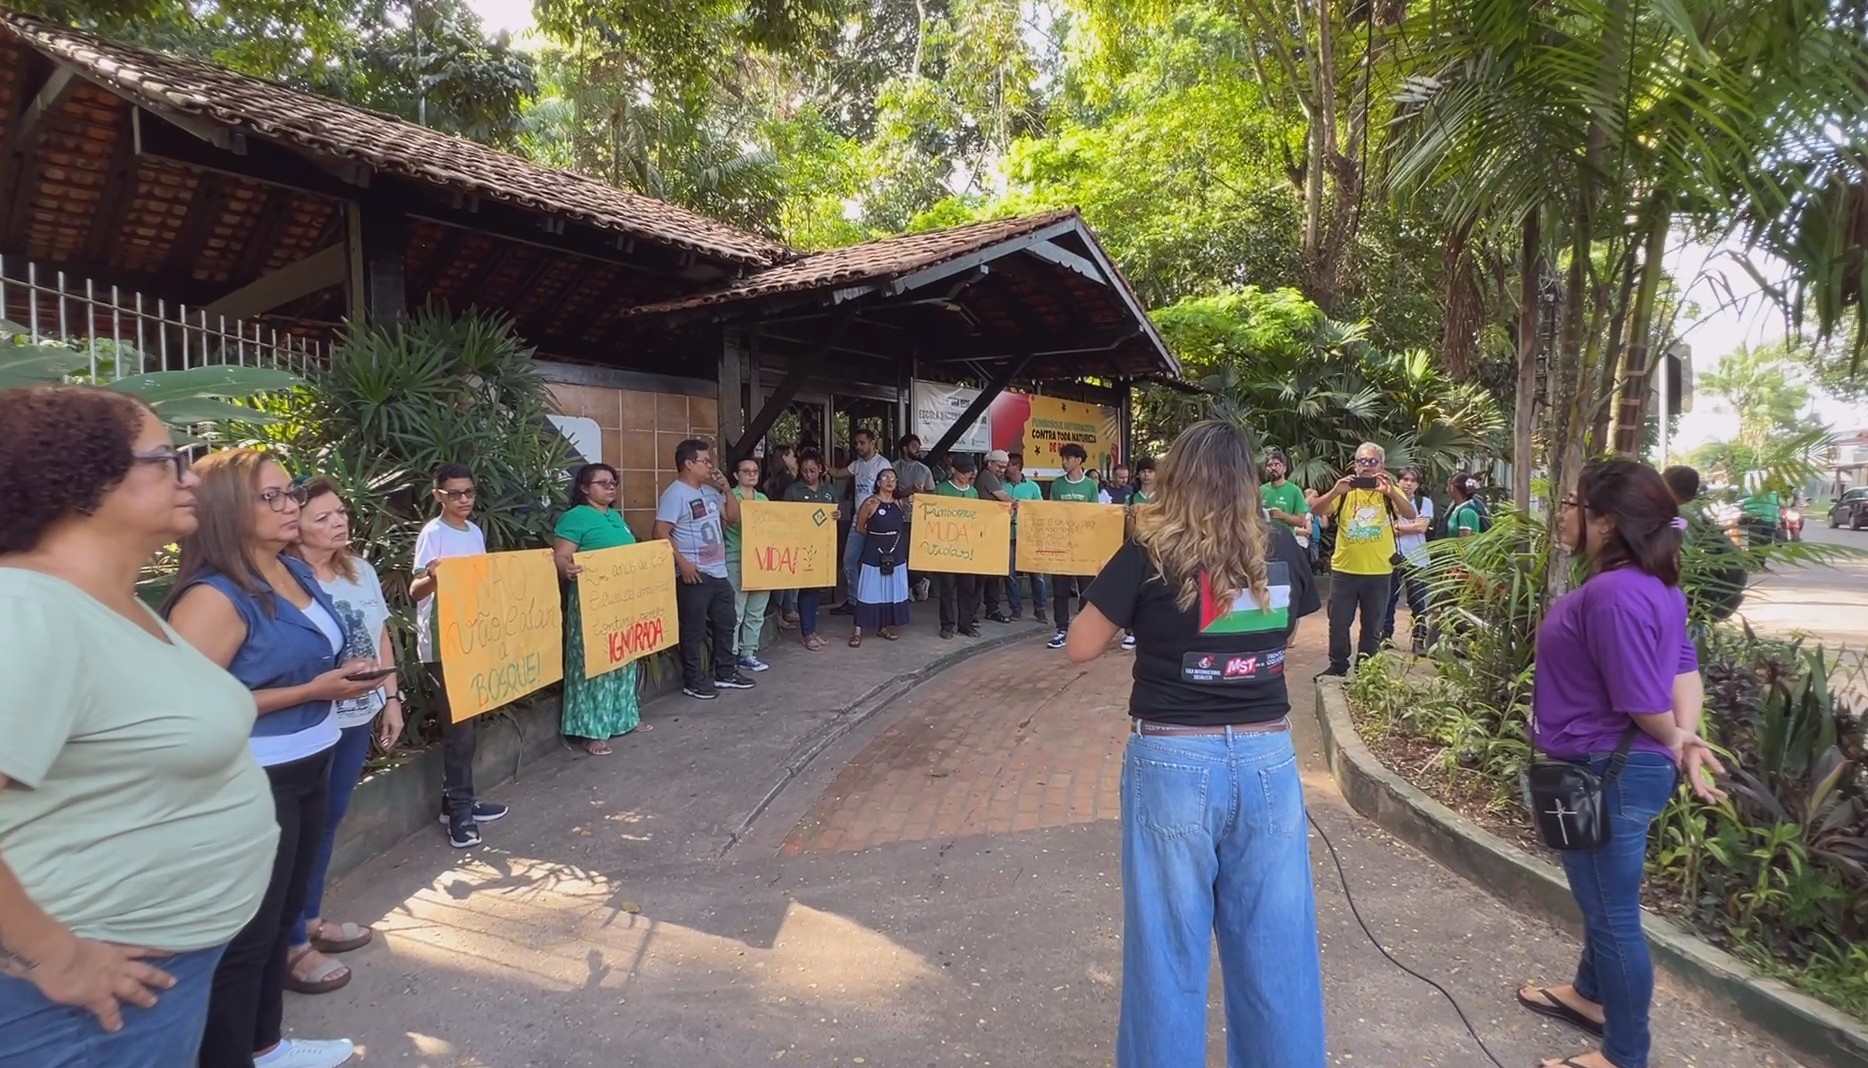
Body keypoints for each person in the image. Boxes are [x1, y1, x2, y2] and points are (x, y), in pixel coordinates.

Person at [0, 386, 277, 1068]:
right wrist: (57, 956)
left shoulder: (111, 603)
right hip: (85, 1001)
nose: (191, 475)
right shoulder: (26, 612)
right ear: (83, 478)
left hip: (155, 974)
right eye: (166, 457)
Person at [1063, 420, 1325, 1068]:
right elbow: (1287, 638)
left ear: (1175, 478)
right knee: (1276, 950)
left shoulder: (1150, 552)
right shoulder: (1285, 550)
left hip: (1173, 761)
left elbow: (1080, 646)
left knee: (1167, 952)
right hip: (1268, 761)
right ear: (1247, 480)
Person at [1517, 459, 1724, 1068]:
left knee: (1611, 915)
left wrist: (1679, 738)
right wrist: (1684, 736)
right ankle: (1590, 996)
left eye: (1572, 503)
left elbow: (1640, 701)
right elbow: (1685, 666)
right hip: (1593, 766)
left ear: (1605, 522)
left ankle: (1625, 1054)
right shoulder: (1657, 586)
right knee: (1599, 897)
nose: (1563, 513)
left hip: (1601, 771)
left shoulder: (1612, 593)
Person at [163, 449, 364, 1068]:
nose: (290, 507)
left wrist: (341, 677)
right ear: (227, 511)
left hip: (312, 762)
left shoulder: (293, 572)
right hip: (252, 778)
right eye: (272, 497)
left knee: (282, 920)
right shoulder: (215, 598)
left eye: (291, 493)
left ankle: (266, 1045)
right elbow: (185, 709)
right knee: (246, 938)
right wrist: (309, 691)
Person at [283, 480, 405, 995]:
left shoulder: (362, 570)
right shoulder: (284, 579)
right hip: (310, 720)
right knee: (300, 827)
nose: (338, 522)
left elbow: (380, 633)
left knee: (329, 817)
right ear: (296, 529)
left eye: (340, 512)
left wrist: (392, 698)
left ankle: (310, 920)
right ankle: (291, 945)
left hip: (360, 712)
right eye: (323, 517)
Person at [409, 464, 511, 848]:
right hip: (442, 642)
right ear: (438, 495)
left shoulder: (475, 531)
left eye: (469, 492)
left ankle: (456, 802)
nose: (464, 500)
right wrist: (435, 576)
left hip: (473, 637)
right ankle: (461, 812)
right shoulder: (433, 534)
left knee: (469, 727)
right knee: (458, 730)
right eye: (454, 494)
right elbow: (415, 590)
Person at [551, 463, 643, 755]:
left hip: (623, 600)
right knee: (595, 663)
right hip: (593, 602)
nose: (610, 486)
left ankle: (623, 718)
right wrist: (568, 569)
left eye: (613, 481)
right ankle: (592, 730)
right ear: (584, 488)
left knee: (624, 656)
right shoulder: (575, 518)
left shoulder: (615, 517)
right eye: (602, 483)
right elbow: (560, 556)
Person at [655, 439, 757, 700]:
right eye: (705, 461)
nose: (710, 466)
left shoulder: (710, 491)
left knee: (726, 623)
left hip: (718, 571)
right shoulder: (675, 494)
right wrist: (682, 563)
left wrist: (726, 490)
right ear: (688, 464)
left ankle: (726, 672)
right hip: (695, 572)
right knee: (694, 629)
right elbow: (660, 532)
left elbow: (732, 517)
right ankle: (693, 680)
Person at [1309, 442, 1417, 676]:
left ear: (1382, 464)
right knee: (1338, 623)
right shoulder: (1346, 490)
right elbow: (1317, 511)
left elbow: (1410, 514)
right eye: (1362, 461)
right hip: (1345, 570)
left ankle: (1366, 669)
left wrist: (1390, 493)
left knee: (1373, 626)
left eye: (1372, 461)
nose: (1367, 466)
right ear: (1355, 464)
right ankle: (1338, 665)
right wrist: (1335, 492)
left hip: (1379, 571)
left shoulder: (1389, 489)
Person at [1662, 464, 1748, 626]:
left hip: (1701, 593)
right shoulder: (1697, 509)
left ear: (1669, 489)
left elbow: (1683, 559)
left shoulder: (1681, 516)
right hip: (1719, 587)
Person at [1046, 443, 1111, 650]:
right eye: (1063, 458)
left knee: (1087, 589)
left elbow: (1094, 516)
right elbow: (1050, 513)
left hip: (1084, 546)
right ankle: (1061, 630)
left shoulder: (1090, 486)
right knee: (1060, 590)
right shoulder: (1057, 485)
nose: (1064, 462)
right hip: (1062, 546)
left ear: (1078, 461)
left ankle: (1083, 628)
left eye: (1068, 458)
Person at [782, 450, 840, 651]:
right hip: (801, 546)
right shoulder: (793, 491)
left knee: (815, 590)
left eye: (812, 471)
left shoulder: (829, 490)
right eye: (805, 471)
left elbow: (834, 512)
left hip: (822, 546)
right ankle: (807, 633)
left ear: (821, 470)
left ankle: (812, 630)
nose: (808, 475)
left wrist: (836, 515)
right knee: (806, 589)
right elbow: (784, 518)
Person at [833, 428, 892, 614]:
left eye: (862, 443)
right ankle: (854, 601)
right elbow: (839, 473)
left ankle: (876, 602)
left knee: (876, 563)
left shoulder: (882, 464)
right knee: (849, 560)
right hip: (857, 520)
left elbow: (890, 490)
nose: (858, 446)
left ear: (872, 442)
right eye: (856, 443)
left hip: (877, 521)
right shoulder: (857, 464)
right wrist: (823, 468)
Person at [850, 468, 910, 646]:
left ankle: (883, 626)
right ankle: (858, 630)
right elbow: (860, 528)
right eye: (885, 477)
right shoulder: (870, 503)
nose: (889, 481)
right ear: (878, 482)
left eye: (893, 478)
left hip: (895, 551)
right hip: (874, 550)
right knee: (867, 589)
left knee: (889, 589)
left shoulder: (900, 503)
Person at [725, 456, 773, 673]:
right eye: (746, 471)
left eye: (755, 471)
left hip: (761, 558)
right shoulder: (729, 497)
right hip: (736, 554)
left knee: (756, 608)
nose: (752, 474)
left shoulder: (763, 499)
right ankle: (731, 653)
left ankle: (748, 652)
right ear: (736, 475)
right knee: (736, 609)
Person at [1383, 466, 1434, 654]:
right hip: (1391, 555)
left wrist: (1397, 526)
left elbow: (1421, 528)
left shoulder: (1424, 502)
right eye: (1405, 479)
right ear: (1398, 481)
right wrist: (1411, 525)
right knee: (1388, 599)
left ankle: (1419, 639)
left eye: (1412, 480)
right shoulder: (1388, 500)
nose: (1408, 484)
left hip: (1417, 557)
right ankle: (1385, 637)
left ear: (1418, 484)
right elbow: (1383, 526)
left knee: (1418, 600)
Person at [933, 456, 985, 639]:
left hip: (967, 548)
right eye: (963, 471)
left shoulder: (973, 492)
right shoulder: (941, 490)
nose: (966, 475)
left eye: (969, 471)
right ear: (954, 470)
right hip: (946, 548)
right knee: (947, 587)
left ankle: (965, 623)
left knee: (968, 587)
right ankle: (947, 624)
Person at [1004, 451, 1049, 623]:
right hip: (1008, 534)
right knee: (1009, 573)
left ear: (1016, 466)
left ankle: (1040, 608)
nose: (1005, 469)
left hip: (1029, 536)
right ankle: (1015, 608)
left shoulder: (1033, 487)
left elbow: (1040, 510)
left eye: (1008, 465)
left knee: (1036, 573)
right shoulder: (1002, 485)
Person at [973, 449, 1015, 622]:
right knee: (983, 575)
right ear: (989, 463)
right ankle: (978, 610)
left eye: (1005, 467)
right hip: (986, 531)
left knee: (993, 574)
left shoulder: (992, 477)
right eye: (1000, 466)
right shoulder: (987, 477)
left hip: (993, 531)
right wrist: (1017, 505)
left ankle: (990, 608)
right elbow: (1005, 498)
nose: (1002, 470)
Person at [894, 434, 936, 603]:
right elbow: (890, 492)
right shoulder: (893, 468)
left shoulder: (924, 470)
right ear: (904, 449)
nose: (917, 449)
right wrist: (908, 491)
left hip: (919, 519)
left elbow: (932, 495)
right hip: (898, 518)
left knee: (917, 556)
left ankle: (919, 582)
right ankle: (907, 587)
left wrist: (921, 494)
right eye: (913, 446)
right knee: (901, 555)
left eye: (918, 446)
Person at [1260, 451, 1308, 547]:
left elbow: (1301, 521)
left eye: (1277, 464)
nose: (1273, 468)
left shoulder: (1295, 491)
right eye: (1270, 465)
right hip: (1264, 542)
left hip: (1286, 542)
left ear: (1284, 469)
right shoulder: (1260, 490)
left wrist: (1283, 516)